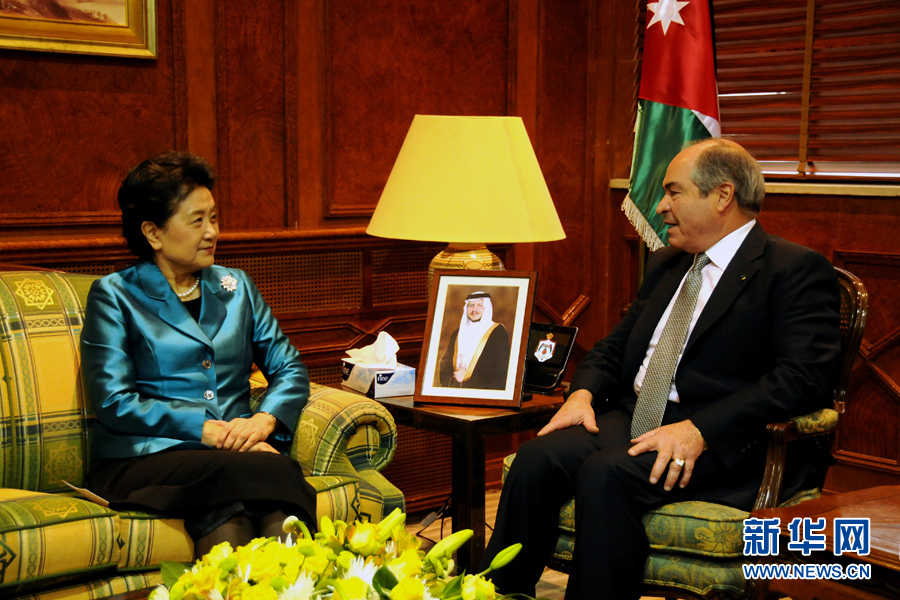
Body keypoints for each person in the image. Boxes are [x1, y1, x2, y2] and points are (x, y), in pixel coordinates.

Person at [479, 139, 842, 599]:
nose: (660, 206)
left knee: (606, 474)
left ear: (722, 196)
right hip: (639, 416)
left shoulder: (793, 270)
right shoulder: (668, 263)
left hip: (726, 441)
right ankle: (492, 594)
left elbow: (802, 380)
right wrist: (582, 394)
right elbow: (616, 346)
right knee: (535, 460)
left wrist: (700, 429)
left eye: (674, 192)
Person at [81, 151, 316, 558]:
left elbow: (289, 367)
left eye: (214, 218)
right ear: (153, 233)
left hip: (231, 460)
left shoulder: (236, 288)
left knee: (233, 506)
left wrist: (264, 419)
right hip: (146, 457)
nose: (212, 232)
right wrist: (206, 431)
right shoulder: (115, 295)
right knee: (268, 469)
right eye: (197, 221)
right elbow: (113, 402)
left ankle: (275, 585)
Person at [438, 291, 511, 389]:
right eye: (471, 305)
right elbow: (445, 365)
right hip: (455, 390)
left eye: (479, 305)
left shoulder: (497, 331)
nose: (474, 310)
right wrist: (455, 377)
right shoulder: (458, 333)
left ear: (486, 308)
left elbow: (500, 369)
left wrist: (468, 376)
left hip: (482, 391)